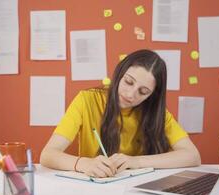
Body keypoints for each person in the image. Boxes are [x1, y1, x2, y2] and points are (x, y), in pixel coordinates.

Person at [40, 49, 201, 178]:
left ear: (152, 95)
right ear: (119, 73)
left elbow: (192, 156)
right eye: (128, 82)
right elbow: (47, 155)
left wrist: (136, 162)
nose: (131, 95)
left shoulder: (157, 114)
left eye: (143, 92)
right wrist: (84, 164)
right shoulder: (87, 100)